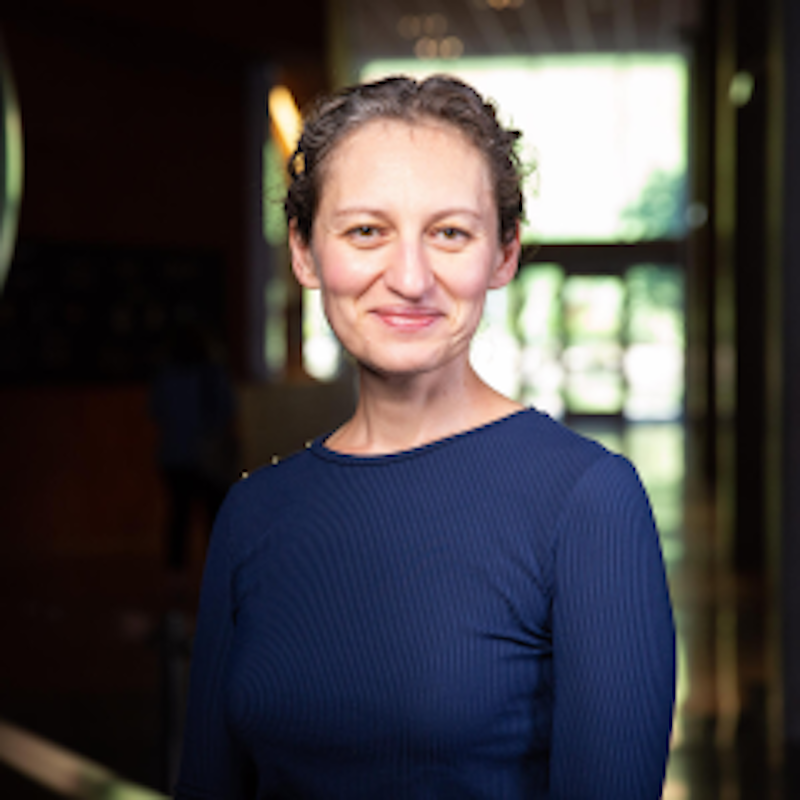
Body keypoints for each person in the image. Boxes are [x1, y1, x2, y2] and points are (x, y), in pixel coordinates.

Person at [174, 75, 675, 799]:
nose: (410, 278)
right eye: (366, 231)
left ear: (503, 254)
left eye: (449, 233)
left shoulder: (587, 501)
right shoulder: (252, 514)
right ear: (305, 253)